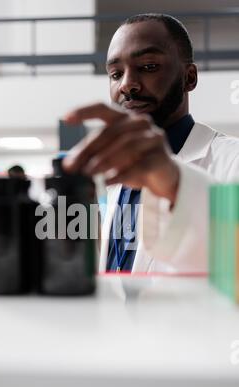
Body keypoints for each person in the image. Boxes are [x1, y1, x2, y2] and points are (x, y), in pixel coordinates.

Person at [63, 13, 239, 273]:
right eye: (115, 74)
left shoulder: (231, 161)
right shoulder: (116, 178)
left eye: (148, 67)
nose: (127, 85)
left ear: (189, 78)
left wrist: (177, 185)